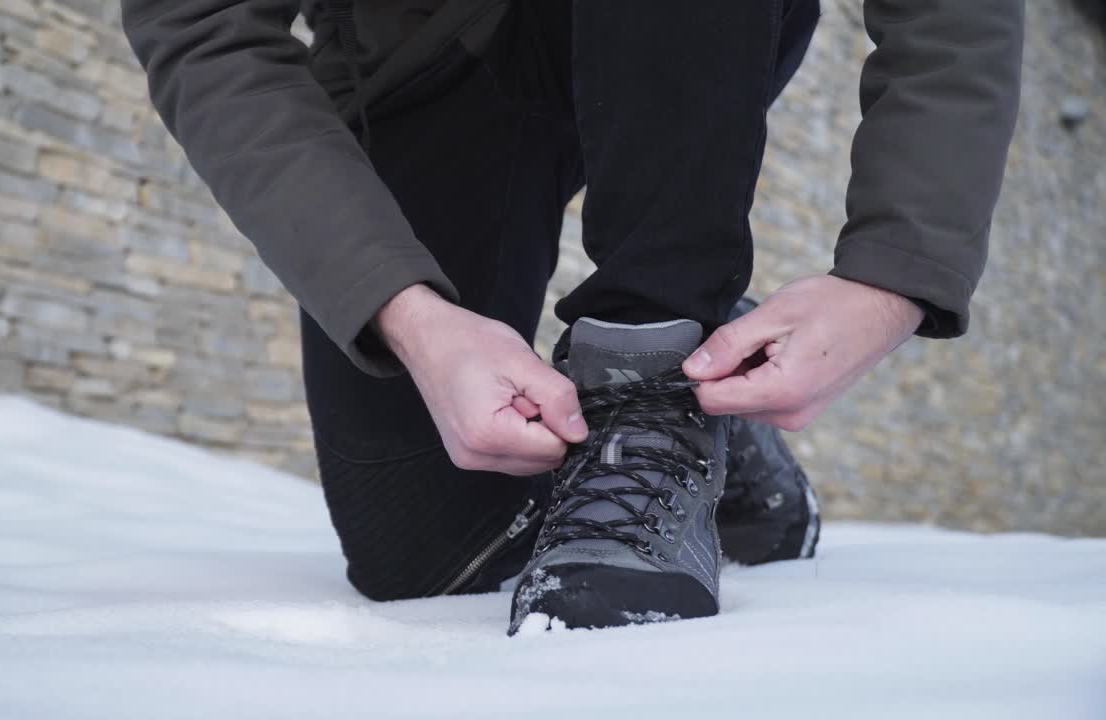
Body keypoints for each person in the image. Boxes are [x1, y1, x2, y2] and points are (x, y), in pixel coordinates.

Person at [122, 1, 1023, 633]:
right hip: (419, 66)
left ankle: (662, 376)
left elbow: (951, 16)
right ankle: (715, 364)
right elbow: (205, 27)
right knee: (425, 560)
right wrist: (410, 317)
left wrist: (891, 280)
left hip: (682, 31)